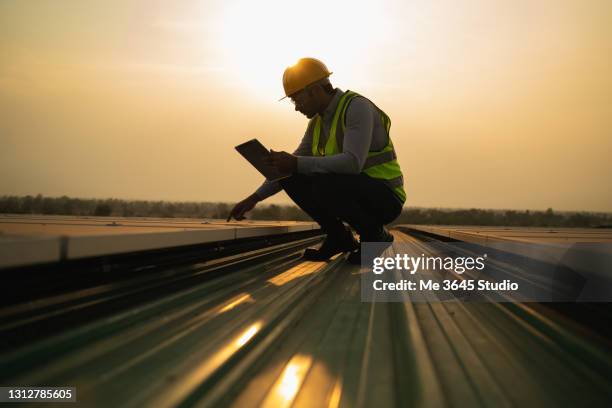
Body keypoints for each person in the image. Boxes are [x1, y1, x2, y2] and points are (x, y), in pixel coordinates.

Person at [227, 57, 405, 264]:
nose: (296, 107)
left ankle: (375, 236)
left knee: (320, 180)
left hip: (385, 198)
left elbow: (353, 163)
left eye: (297, 99)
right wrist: (254, 199)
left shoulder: (356, 107)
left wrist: (296, 163)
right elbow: (291, 166)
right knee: (290, 176)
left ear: (315, 90)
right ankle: (339, 238)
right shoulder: (317, 123)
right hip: (355, 192)